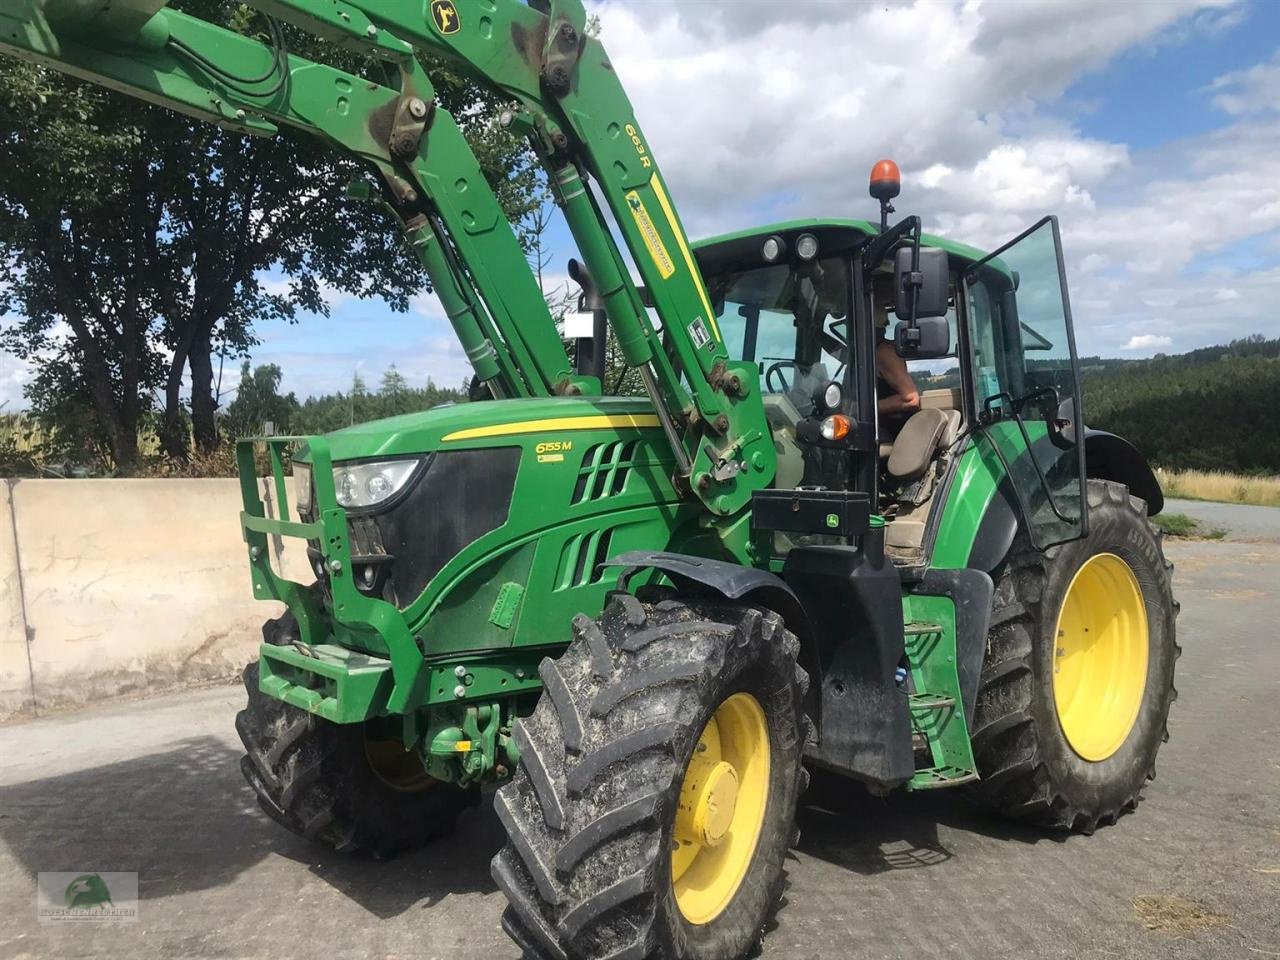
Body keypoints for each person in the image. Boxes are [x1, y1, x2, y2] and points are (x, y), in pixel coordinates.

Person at [872, 273, 920, 438]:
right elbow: (841, 355)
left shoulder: (884, 353)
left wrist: (867, 407)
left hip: (892, 434)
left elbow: (911, 399)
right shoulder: (867, 354)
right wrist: (818, 336)